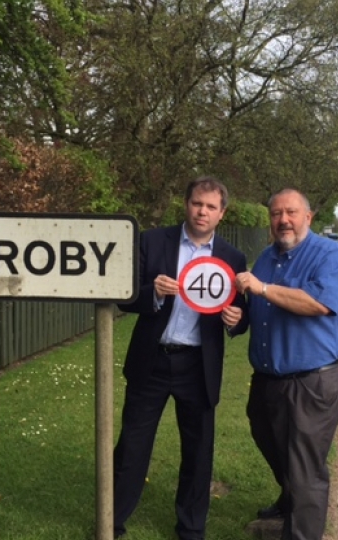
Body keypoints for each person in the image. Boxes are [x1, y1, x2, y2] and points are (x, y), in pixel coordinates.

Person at [113, 176, 247, 540]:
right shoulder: (153, 241)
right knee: (132, 447)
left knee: (198, 452)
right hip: (152, 361)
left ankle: (190, 528)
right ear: (185, 204)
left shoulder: (232, 258)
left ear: (222, 213)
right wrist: (152, 293)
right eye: (196, 204)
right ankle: (111, 522)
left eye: (210, 207)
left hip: (198, 366)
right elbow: (125, 296)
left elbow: (240, 312)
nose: (202, 212)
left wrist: (236, 320)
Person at [233, 188, 338, 540]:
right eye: (276, 214)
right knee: (268, 440)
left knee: (305, 468)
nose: (283, 220)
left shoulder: (328, 254)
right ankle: (289, 501)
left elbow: (318, 302)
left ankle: (301, 531)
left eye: (291, 212)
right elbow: (257, 310)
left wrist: (263, 289)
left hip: (313, 382)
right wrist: (236, 318)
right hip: (269, 378)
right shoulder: (267, 258)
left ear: (308, 217)